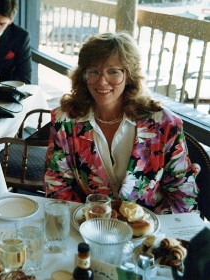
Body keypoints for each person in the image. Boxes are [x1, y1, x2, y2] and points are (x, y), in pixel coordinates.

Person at [44, 32, 200, 214]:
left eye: (113, 72)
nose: (102, 81)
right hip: (89, 225)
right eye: (93, 71)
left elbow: (183, 194)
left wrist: (155, 232)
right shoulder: (66, 120)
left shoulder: (164, 124)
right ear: (83, 75)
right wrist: (87, 222)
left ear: (129, 76)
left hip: (149, 228)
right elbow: (57, 186)